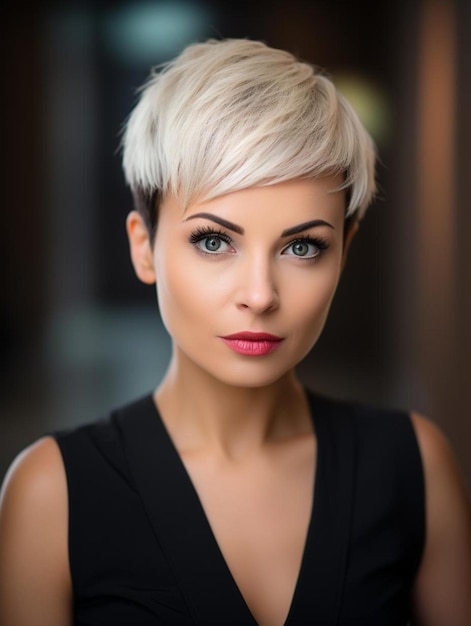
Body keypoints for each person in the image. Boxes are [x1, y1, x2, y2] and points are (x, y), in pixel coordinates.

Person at [0, 38, 470, 626]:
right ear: (143, 248)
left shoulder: (414, 467)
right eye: (214, 241)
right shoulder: (51, 494)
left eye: (303, 247)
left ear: (343, 253)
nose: (260, 294)